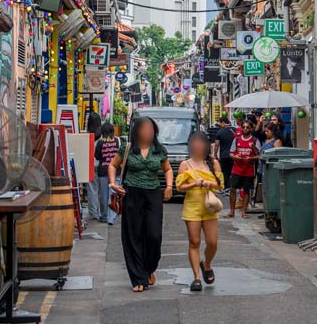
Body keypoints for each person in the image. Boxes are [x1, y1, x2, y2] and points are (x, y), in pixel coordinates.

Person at [108, 116, 174, 292]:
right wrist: (113, 183)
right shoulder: (127, 148)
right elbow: (113, 165)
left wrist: (169, 186)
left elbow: (167, 169)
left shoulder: (159, 150)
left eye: (151, 130)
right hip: (132, 193)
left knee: (154, 235)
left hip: (153, 194)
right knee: (133, 236)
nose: (148, 133)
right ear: (136, 131)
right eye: (144, 130)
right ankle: (138, 278)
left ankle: (149, 268)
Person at [175, 132, 224, 291]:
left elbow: (220, 185)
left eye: (200, 143)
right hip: (192, 206)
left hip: (209, 206)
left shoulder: (213, 163)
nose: (198, 146)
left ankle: (207, 264)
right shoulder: (185, 165)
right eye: (194, 143)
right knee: (194, 242)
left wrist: (208, 184)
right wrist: (194, 184)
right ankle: (196, 278)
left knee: (212, 243)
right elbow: (180, 187)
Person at [225, 120, 260, 219]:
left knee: (246, 190)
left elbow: (259, 155)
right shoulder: (236, 140)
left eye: (247, 127)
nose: (245, 129)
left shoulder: (255, 140)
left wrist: (252, 157)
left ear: (251, 129)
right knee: (232, 189)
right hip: (237, 168)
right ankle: (232, 211)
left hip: (249, 169)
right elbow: (231, 153)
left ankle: (244, 212)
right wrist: (235, 157)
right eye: (243, 127)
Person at [94, 122, 120, 225]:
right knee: (113, 194)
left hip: (103, 170)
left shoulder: (100, 143)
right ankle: (111, 217)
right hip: (115, 171)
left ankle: (104, 215)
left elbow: (97, 156)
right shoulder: (118, 141)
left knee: (103, 194)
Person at [84, 106, 105, 220]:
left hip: (90, 165)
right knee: (102, 191)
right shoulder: (102, 136)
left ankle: (93, 214)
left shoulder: (87, 135)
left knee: (92, 190)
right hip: (101, 166)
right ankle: (103, 213)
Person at [214, 116, 235, 194]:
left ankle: (226, 188)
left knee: (225, 172)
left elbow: (217, 144)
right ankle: (232, 188)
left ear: (222, 122)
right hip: (234, 155)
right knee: (233, 172)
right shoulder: (235, 130)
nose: (220, 125)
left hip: (224, 155)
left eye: (220, 123)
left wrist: (215, 154)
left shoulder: (220, 132)